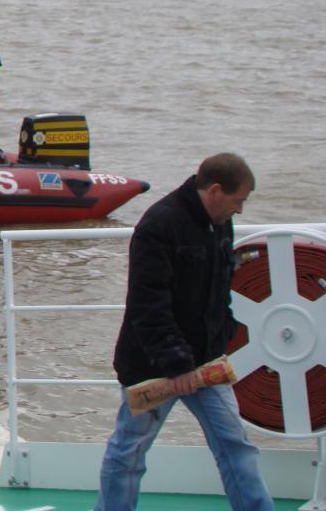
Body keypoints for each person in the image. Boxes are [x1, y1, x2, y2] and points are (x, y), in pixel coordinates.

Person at [94, 153, 272, 511]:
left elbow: (220, 291)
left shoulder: (220, 222)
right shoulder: (159, 225)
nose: (239, 211)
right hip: (152, 366)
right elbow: (148, 305)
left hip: (206, 365)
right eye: (238, 201)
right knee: (129, 451)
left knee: (235, 444)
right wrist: (177, 365)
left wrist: (220, 343)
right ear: (216, 191)